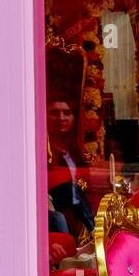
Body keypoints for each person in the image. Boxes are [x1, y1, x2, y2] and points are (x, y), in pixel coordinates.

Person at [46, 96, 95, 240]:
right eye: (54, 113)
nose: (61, 118)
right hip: (47, 201)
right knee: (70, 189)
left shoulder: (75, 148)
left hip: (75, 202)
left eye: (66, 113)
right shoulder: (41, 145)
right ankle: (95, 231)